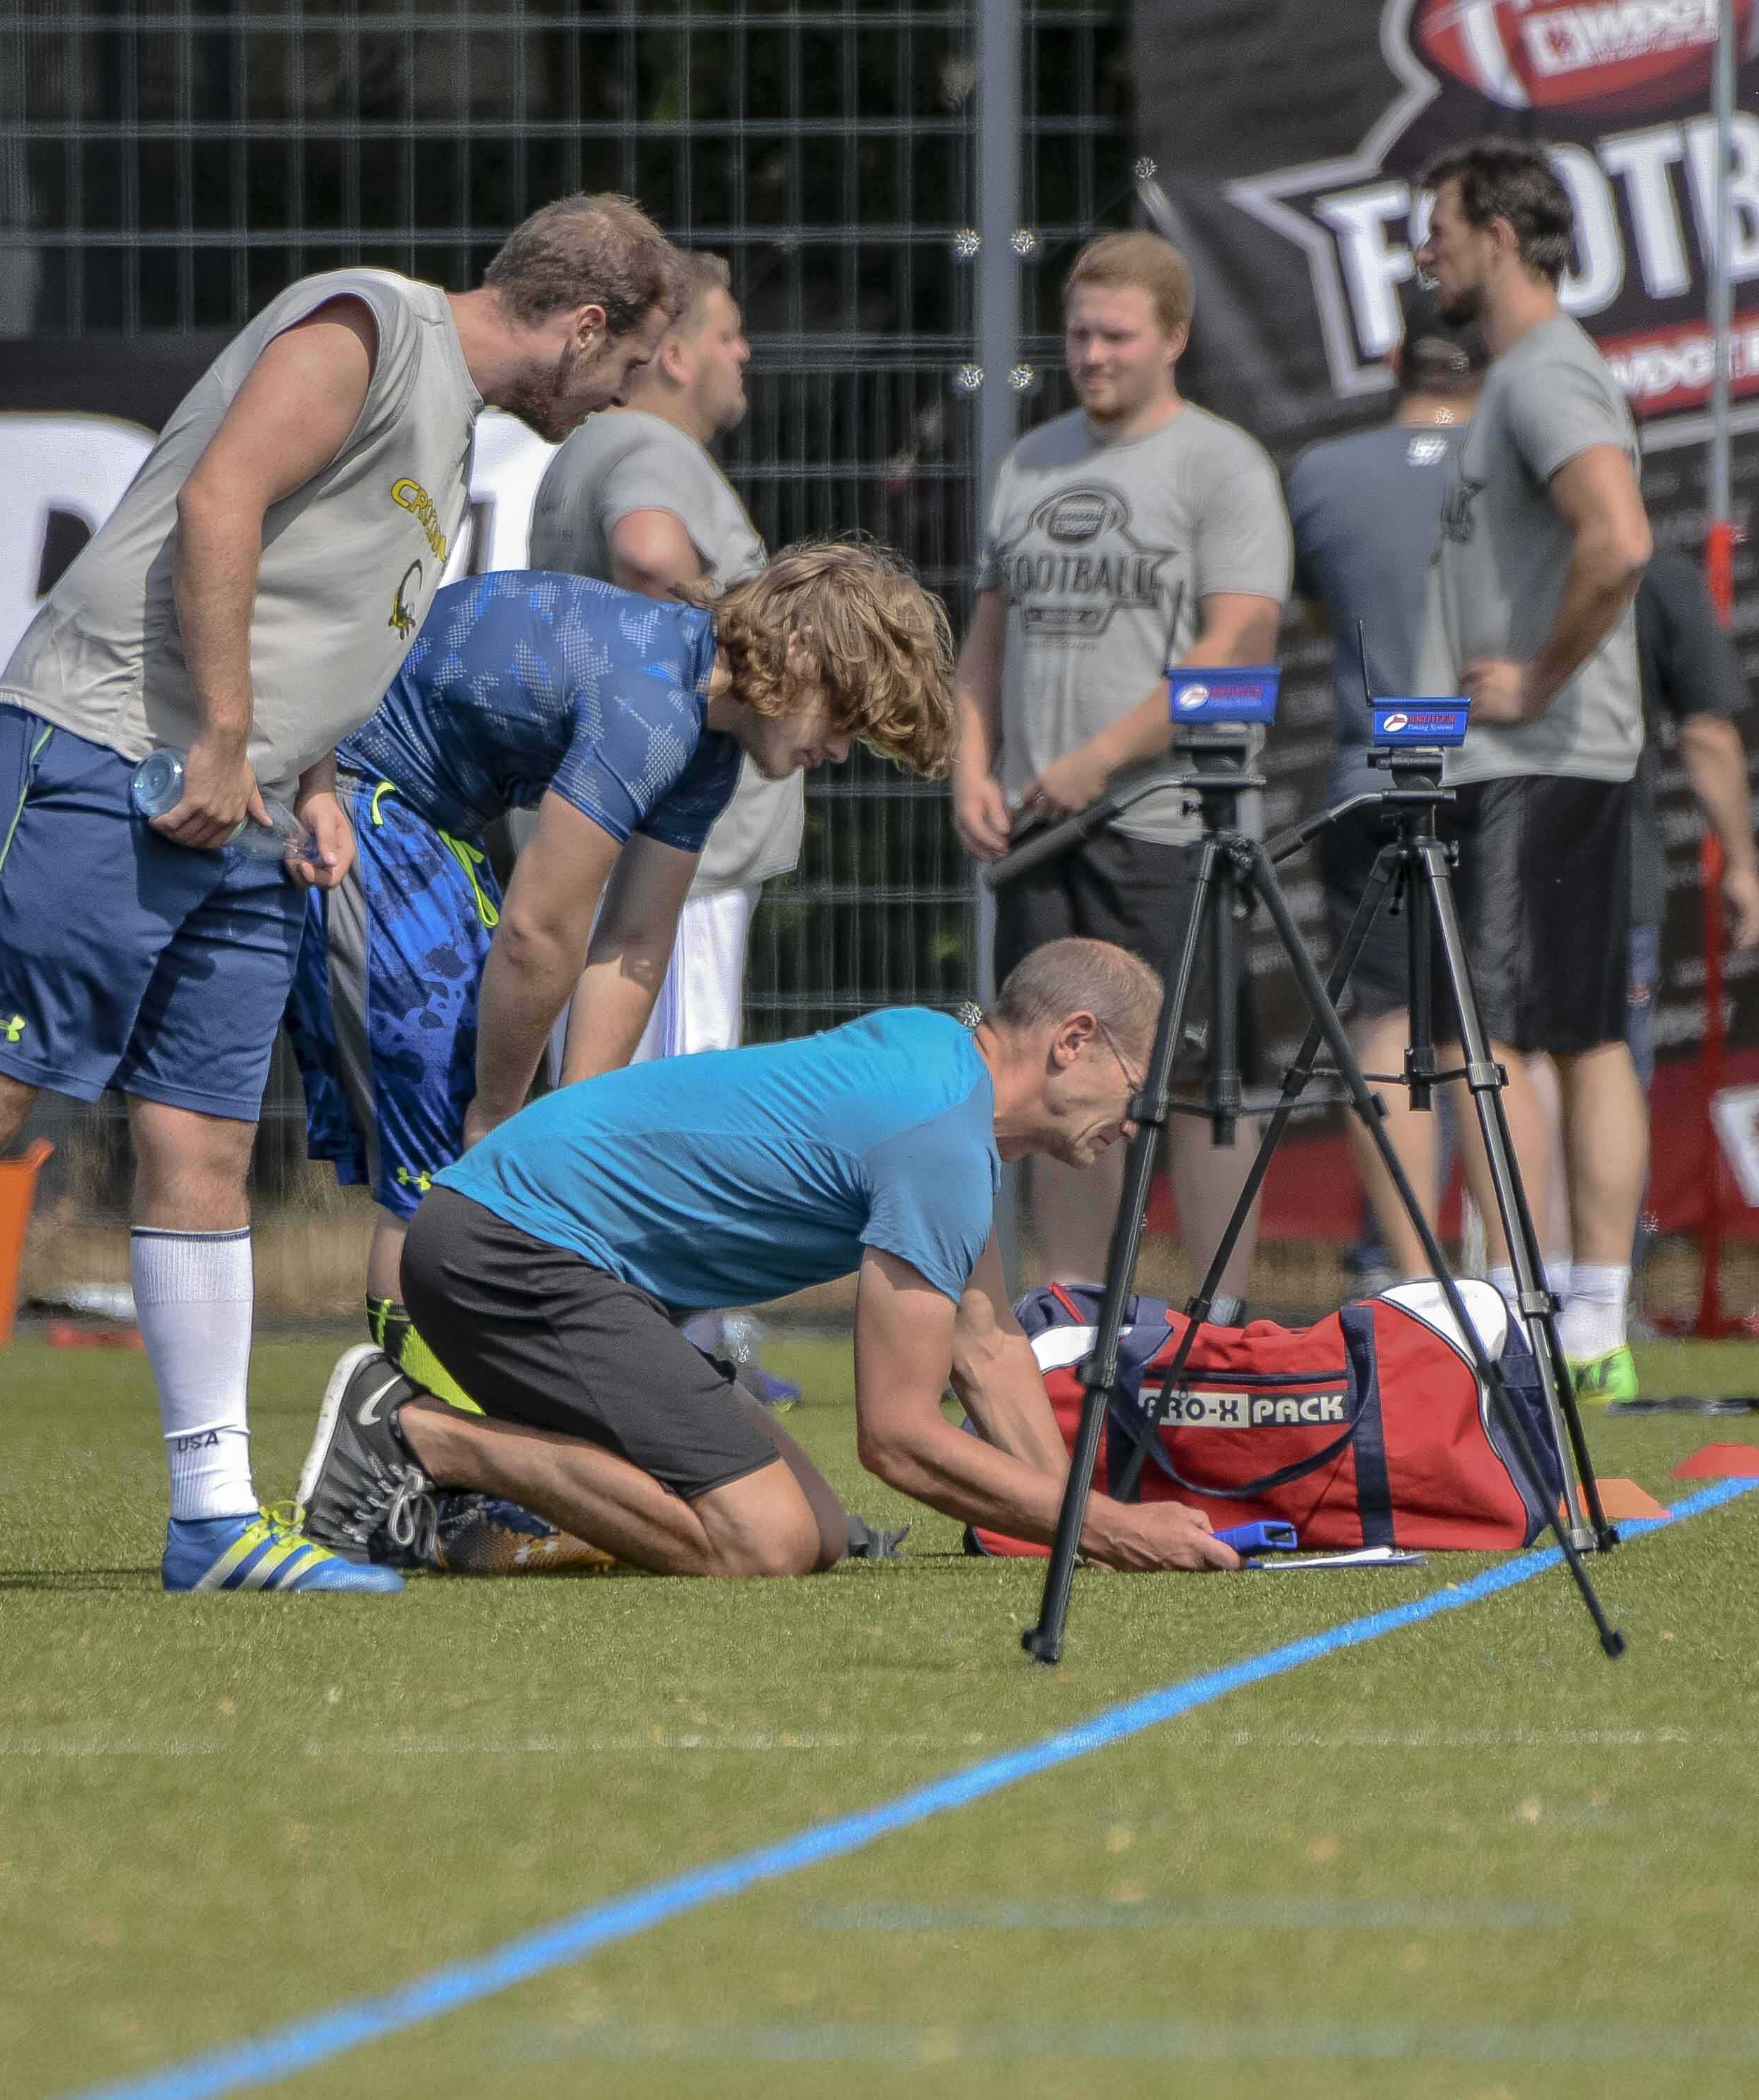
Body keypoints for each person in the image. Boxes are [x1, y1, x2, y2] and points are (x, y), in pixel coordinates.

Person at [0, 195, 682, 1602]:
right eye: (629, 365)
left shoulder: (456, 414)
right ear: (585, 325)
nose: (619, 398)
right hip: (124, 750)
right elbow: (220, 502)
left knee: (203, 1140)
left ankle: (213, 1514)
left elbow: (314, 602)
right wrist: (224, 733)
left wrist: (317, 771)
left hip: (256, 798)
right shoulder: (366, 327)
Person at [291, 941, 1242, 1580]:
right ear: (1072, 1041)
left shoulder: (942, 1070)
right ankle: (417, 1435)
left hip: (532, 1249)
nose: (1140, 1116)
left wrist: (1087, 1529)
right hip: (506, 1252)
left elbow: (986, 1344)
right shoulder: (938, 1135)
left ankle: (468, 1495)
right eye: (1137, 1081)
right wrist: (1115, 1530)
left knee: (821, 1535)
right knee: (766, 1540)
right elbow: (898, 1438)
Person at [288, 543, 954, 1387]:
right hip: (366, 799)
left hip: (431, 823)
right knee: (444, 1168)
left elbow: (635, 941)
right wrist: (500, 1118)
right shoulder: (654, 705)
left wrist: (572, 1133)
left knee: (475, 1158)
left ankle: (454, 1454)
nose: (841, 752)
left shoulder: (708, 745)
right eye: (844, 718)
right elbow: (540, 930)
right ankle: (408, 1454)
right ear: (795, 658)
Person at [952, 231, 1292, 1311]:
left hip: (1163, 821)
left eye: (1115, 335)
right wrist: (970, 764)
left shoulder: (1218, 463)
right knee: (1049, 1073)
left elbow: (1234, 640)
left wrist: (1098, 757)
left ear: (1173, 338)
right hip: (1038, 828)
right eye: (1078, 332)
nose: (1090, 355)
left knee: (1192, 1077)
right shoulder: (1032, 460)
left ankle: (1219, 1311)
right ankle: (1068, 1310)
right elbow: (985, 636)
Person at [1402, 138, 1657, 1382]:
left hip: (1536, 754)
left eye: (1436, 225)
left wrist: (1535, 680)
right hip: (1552, 758)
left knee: (1488, 1034)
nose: (1421, 249)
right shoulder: (1526, 373)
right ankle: (1587, 1318)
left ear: (1498, 234)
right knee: (1573, 1028)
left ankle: (1520, 1309)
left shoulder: (1546, 371)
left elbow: (1618, 542)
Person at [527, 249, 800, 1062]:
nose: (742, 353)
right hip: (675, 866)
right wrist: (746, 676)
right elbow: (647, 554)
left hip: (620, 842)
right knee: (674, 1112)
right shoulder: (653, 446)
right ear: (675, 355)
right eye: (729, 333)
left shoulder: (594, 443)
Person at [1520, 542, 1759, 1394]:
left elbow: (1705, 730)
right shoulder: (1648, 569)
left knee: (1545, 1067)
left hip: (1519, 864)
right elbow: (1705, 733)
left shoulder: (1632, 572)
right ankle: (1578, 1313)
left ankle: (1554, 1311)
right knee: (1580, 1063)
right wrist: (1738, 861)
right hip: (1558, 864)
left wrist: (1736, 859)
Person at [1292, 332, 1477, 1282]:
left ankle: (1411, 1280)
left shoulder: (1321, 472)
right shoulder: (1522, 458)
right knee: (1492, 1035)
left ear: (1398, 363)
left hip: (1371, 778)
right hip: (1496, 769)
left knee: (1385, 1021)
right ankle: (1540, 1284)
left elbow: (1320, 605)